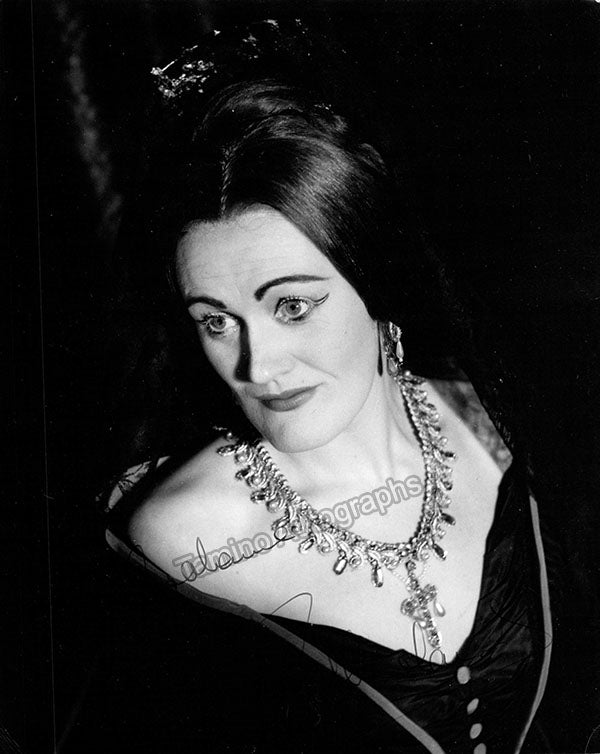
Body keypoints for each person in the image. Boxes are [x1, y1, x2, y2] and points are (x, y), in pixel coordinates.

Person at [102, 19, 554, 754]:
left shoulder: (492, 422)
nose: (257, 367)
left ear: (375, 279)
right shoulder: (181, 538)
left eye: (293, 306)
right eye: (216, 321)